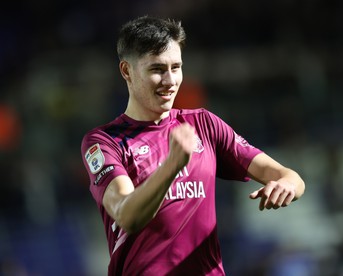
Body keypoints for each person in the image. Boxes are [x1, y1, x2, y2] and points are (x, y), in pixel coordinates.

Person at [81, 15, 305, 276]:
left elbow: (290, 176)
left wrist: (287, 185)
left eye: (176, 67)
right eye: (157, 69)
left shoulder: (203, 124)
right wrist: (172, 166)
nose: (170, 80)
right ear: (126, 71)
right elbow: (127, 215)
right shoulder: (105, 142)